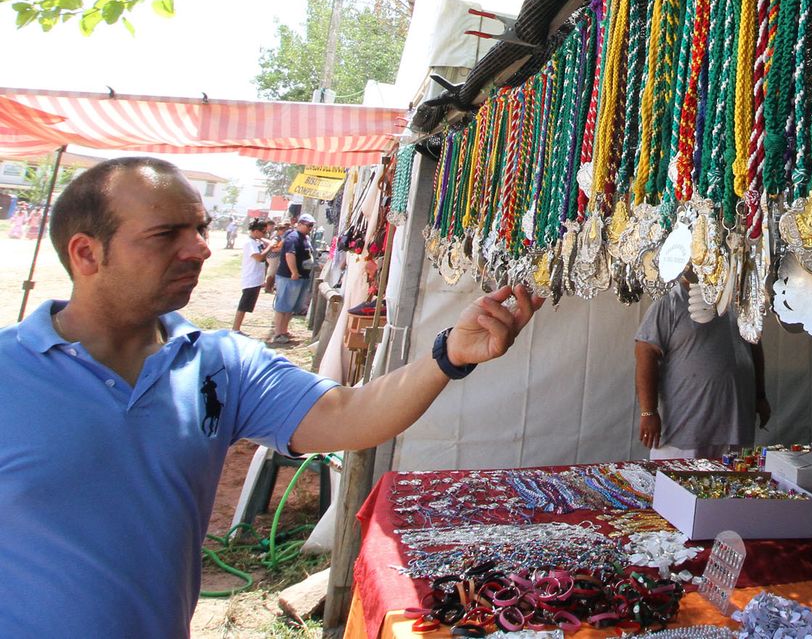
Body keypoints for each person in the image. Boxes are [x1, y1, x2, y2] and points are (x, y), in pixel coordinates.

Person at [0, 156, 541, 636]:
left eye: (200, 228)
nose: (200, 248)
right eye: (166, 234)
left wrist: (449, 355)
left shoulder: (219, 363)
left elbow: (347, 415)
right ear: (86, 253)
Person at [634, 279, 769, 459]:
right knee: (677, 477)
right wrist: (648, 411)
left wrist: (760, 396)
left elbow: (754, 345)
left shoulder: (736, 299)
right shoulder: (669, 301)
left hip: (736, 428)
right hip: (685, 432)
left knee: (736, 476)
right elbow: (646, 352)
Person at [270, 214, 316, 345]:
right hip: (288, 277)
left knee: (290, 307)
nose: (310, 228)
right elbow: (290, 255)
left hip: (301, 276)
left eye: (311, 226)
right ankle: (278, 333)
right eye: (308, 225)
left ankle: (284, 330)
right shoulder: (293, 237)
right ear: (300, 224)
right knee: (283, 305)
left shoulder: (304, 237)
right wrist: (294, 272)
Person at [232, 218, 271, 334]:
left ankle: (237, 328)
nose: (265, 234)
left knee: (247, 305)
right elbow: (259, 257)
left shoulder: (256, 241)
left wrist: (263, 239)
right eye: (263, 232)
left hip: (256, 278)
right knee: (244, 305)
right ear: (256, 231)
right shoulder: (249, 243)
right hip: (251, 278)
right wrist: (269, 247)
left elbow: (269, 243)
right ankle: (235, 329)